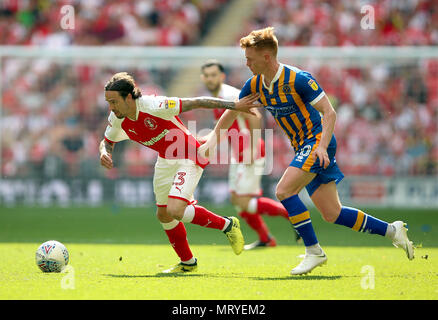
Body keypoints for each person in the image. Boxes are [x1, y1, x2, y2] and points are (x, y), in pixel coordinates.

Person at [200, 27, 414, 275]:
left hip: (317, 141)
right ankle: (392, 230)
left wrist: (322, 146)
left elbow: (329, 112)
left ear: (267, 57)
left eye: (250, 58)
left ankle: (314, 252)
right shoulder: (256, 84)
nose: (246, 63)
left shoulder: (299, 79)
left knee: (283, 190)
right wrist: (214, 136)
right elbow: (234, 110)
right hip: (303, 146)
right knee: (332, 213)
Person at [99, 72, 259, 273]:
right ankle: (188, 263)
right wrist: (105, 153)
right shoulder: (117, 118)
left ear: (129, 97)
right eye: (108, 102)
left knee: (175, 210)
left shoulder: (154, 106)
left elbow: (196, 101)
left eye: (114, 102)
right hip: (165, 160)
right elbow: (108, 141)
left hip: (189, 155)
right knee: (164, 215)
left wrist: (233, 105)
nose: (111, 107)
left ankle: (227, 225)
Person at [200, 59, 301, 249]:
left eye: (214, 75)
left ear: (222, 77)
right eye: (207, 75)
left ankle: (294, 216)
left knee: (243, 201)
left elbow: (256, 115)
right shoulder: (217, 97)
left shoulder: (230, 94)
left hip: (248, 151)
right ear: (202, 78)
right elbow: (225, 128)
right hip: (238, 154)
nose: (210, 79)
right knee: (238, 202)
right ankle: (266, 239)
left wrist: (252, 148)